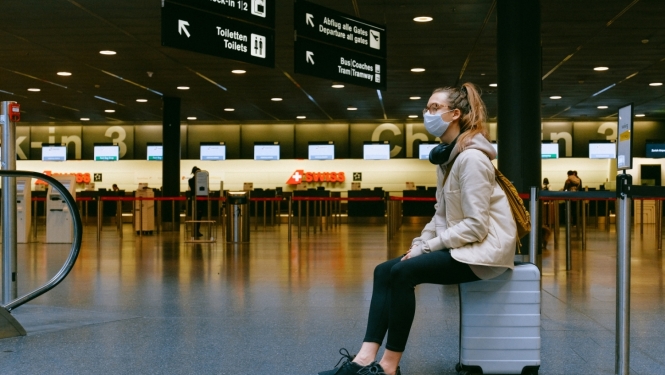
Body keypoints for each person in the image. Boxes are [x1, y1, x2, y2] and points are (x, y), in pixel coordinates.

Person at [318, 83, 517, 375]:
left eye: (435, 108)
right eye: (427, 108)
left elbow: (476, 226)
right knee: (383, 270)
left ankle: (388, 367)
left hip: (484, 253)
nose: (427, 113)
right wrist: (419, 243)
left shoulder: (472, 159)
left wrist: (429, 248)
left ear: (455, 114)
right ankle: (363, 359)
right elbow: (441, 215)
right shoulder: (448, 159)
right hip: (463, 246)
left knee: (403, 273)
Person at [188, 166, 206, 237]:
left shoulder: (191, 180)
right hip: (198, 200)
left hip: (197, 200)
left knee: (197, 216)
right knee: (197, 216)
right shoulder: (193, 181)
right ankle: (196, 231)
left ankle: (196, 230)